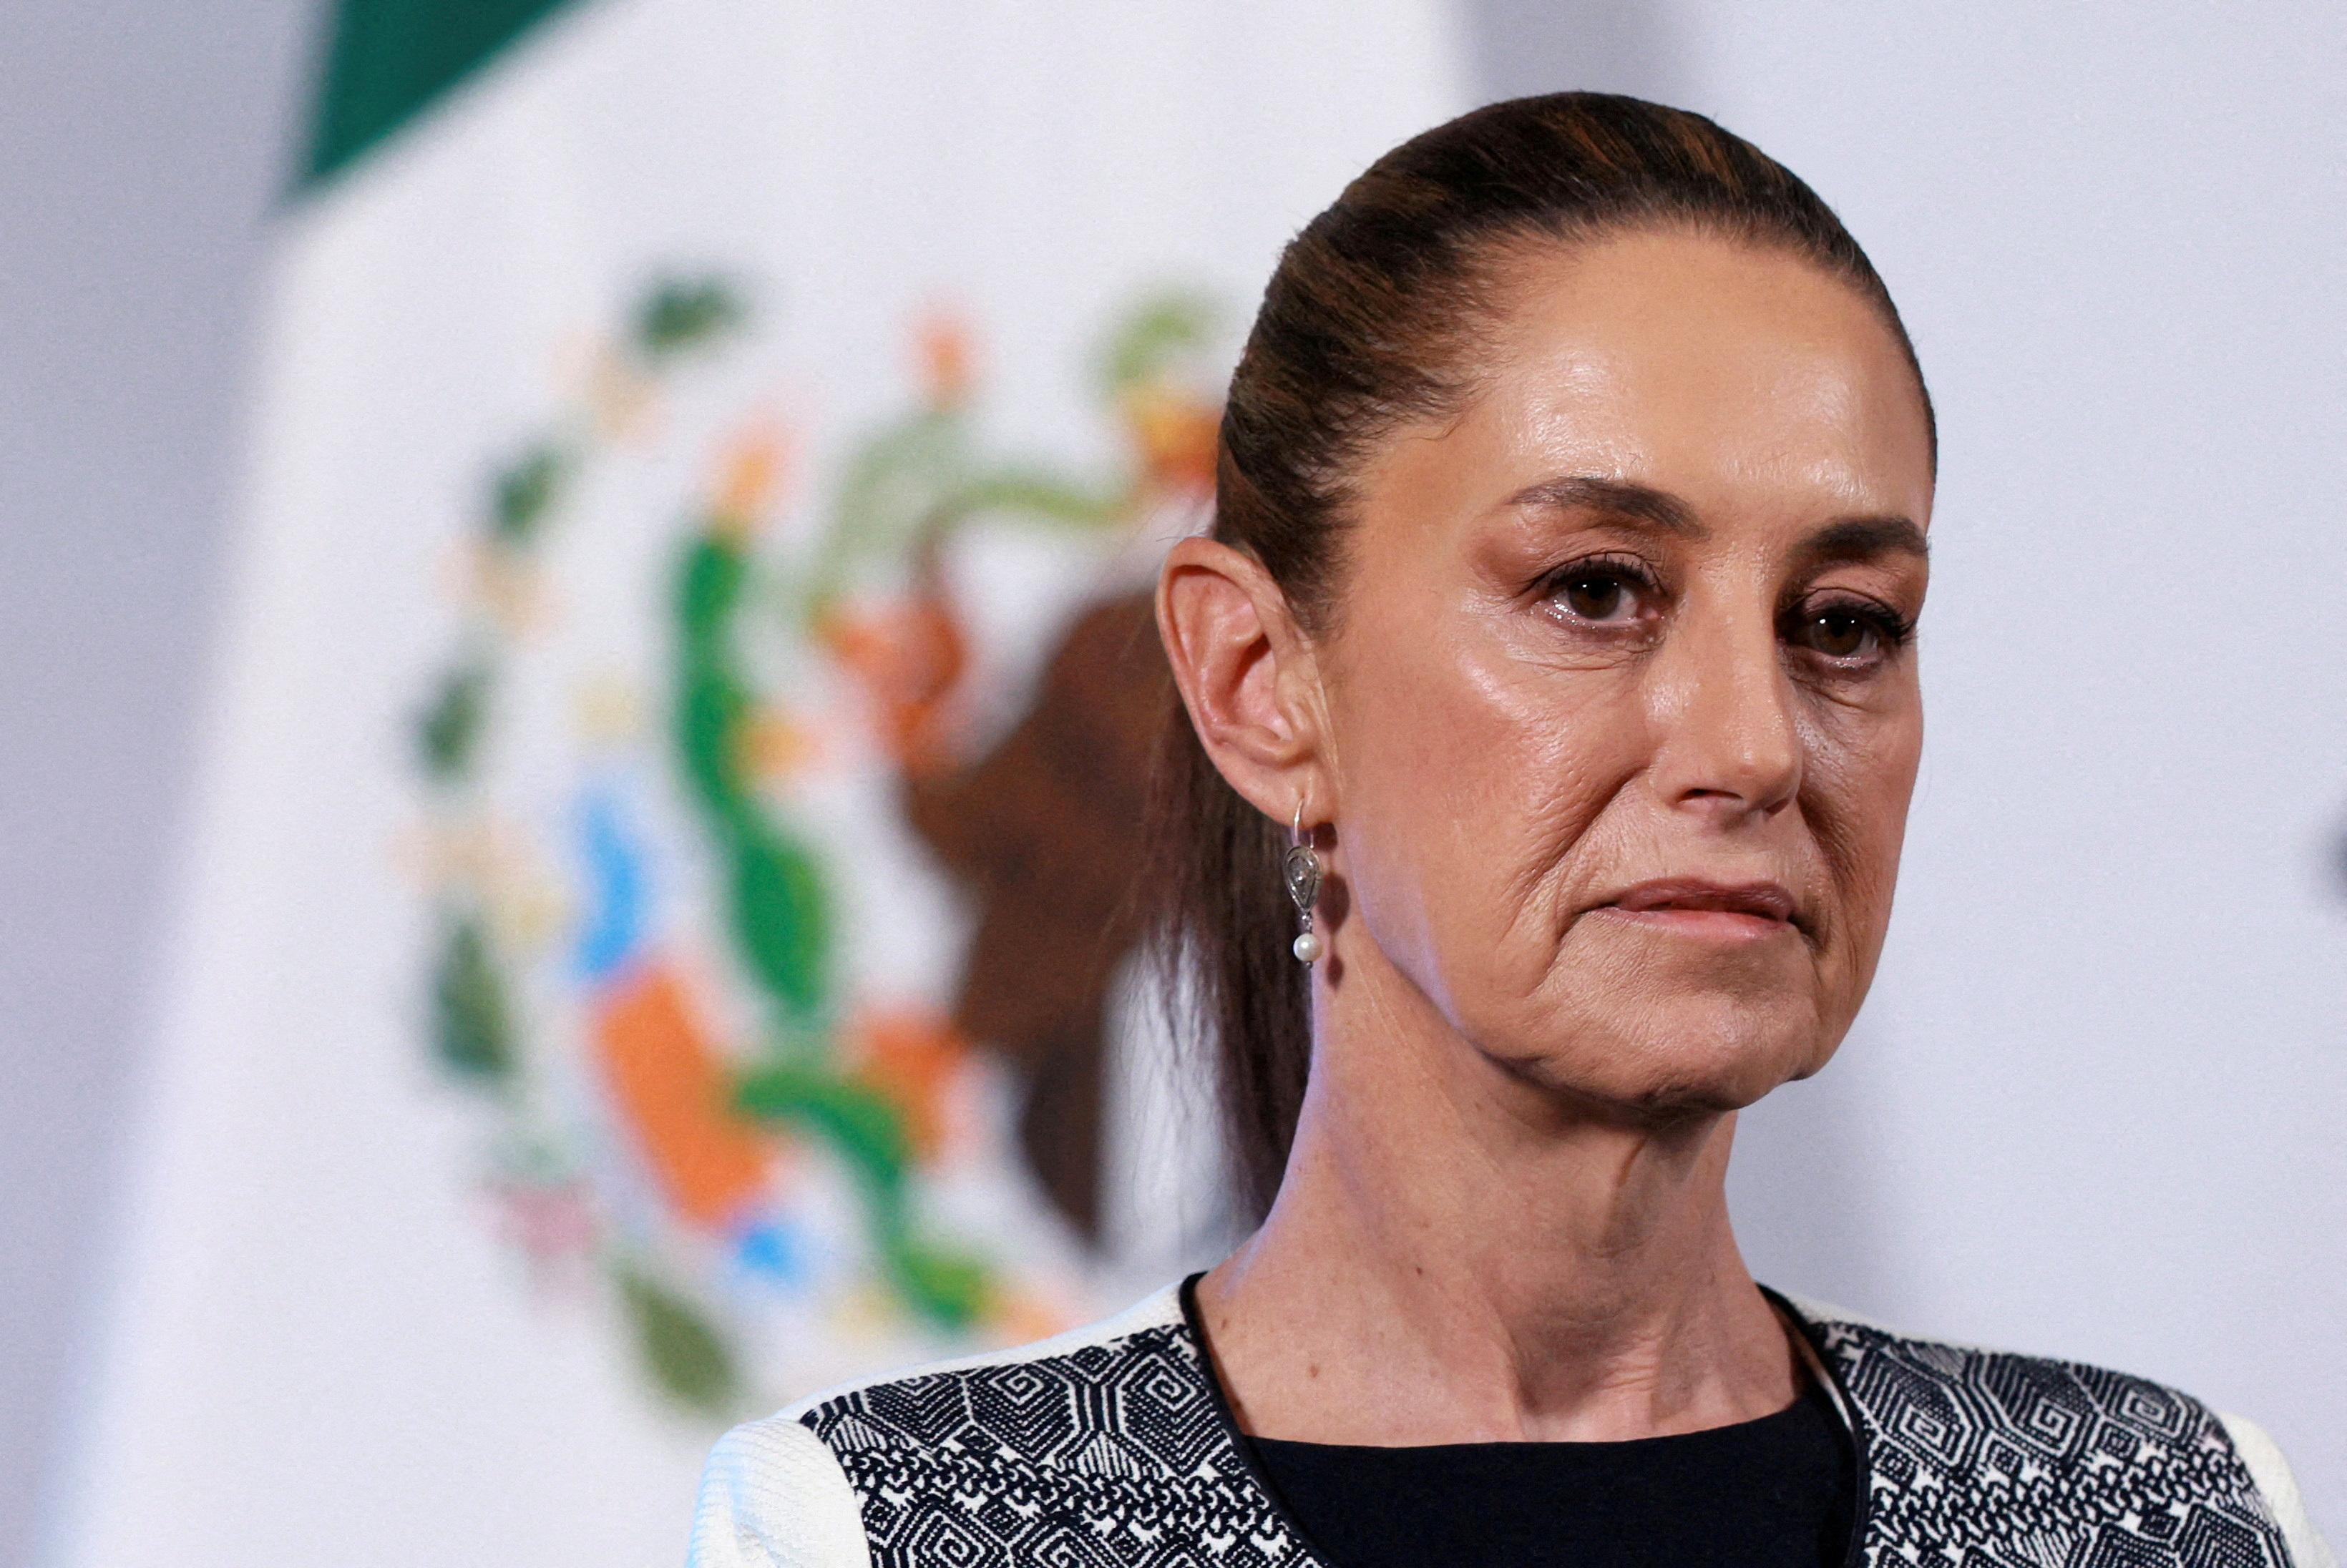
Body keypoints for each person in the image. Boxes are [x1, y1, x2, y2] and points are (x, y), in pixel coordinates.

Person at [686, 92, 2333, 1568]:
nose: (1752, 746)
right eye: (1593, 590)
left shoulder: (2164, 1513)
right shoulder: (888, 1534)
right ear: (1259, 681)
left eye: (1839, 621)